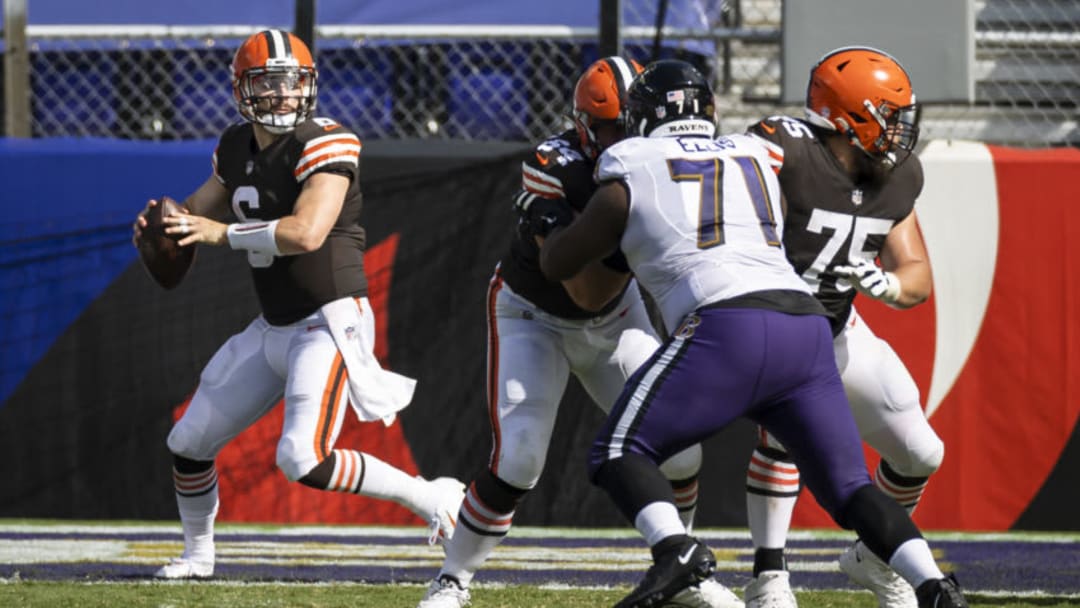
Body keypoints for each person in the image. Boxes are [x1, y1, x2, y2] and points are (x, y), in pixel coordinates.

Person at [538, 59, 967, 608]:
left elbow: (559, 264)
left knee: (620, 450)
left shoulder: (631, 165)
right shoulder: (752, 156)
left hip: (725, 325)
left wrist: (544, 220)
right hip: (806, 327)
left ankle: (676, 551)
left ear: (640, 119)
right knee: (853, 488)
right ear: (711, 112)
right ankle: (935, 585)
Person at [131, 29, 465, 579]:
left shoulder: (327, 142)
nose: (284, 96)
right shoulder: (236, 147)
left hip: (328, 321)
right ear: (244, 91)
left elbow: (307, 233)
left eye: (292, 84)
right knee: (187, 441)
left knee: (301, 458)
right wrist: (157, 228)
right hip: (276, 325)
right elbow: (191, 217)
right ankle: (198, 555)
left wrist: (219, 234)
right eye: (270, 85)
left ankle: (431, 498)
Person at [416, 56, 741, 608]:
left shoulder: (666, 161)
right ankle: (452, 579)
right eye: (612, 127)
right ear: (585, 125)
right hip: (534, 315)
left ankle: (680, 565)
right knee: (518, 460)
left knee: (681, 451)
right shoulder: (556, 163)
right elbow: (582, 289)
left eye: (631, 122)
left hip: (616, 317)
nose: (624, 137)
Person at [740, 46, 944, 608]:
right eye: (890, 114)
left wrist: (890, 288)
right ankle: (769, 574)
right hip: (767, 325)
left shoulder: (897, 176)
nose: (901, 130)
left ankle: (874, 557)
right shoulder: (785, 153)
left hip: (835, 326)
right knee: (781, 436)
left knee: (922, 452)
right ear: (852, 115)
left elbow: (916, 273)